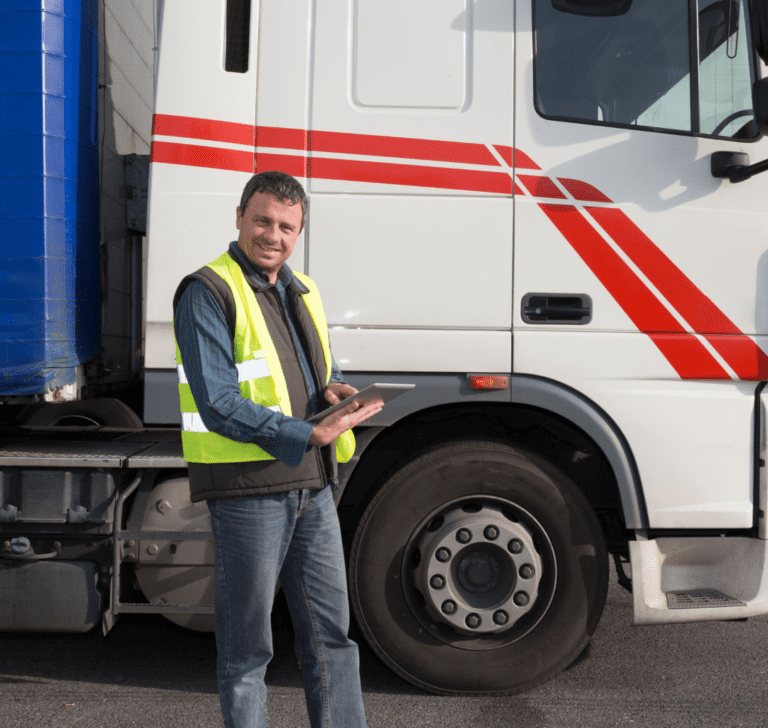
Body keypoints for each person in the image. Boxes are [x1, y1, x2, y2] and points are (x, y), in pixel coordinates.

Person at [173, 170, 381, 728]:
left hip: (312, 487)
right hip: (248, 490)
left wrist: (337, 391)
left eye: (287, 227)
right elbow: (217, 401)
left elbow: (322, 371)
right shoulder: (207, 290)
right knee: (247, 652)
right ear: (239, 217)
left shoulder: (302, 288)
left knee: (332, 640)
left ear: (300, 231)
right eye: (263, 220)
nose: (274, 235)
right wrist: (302, 434)